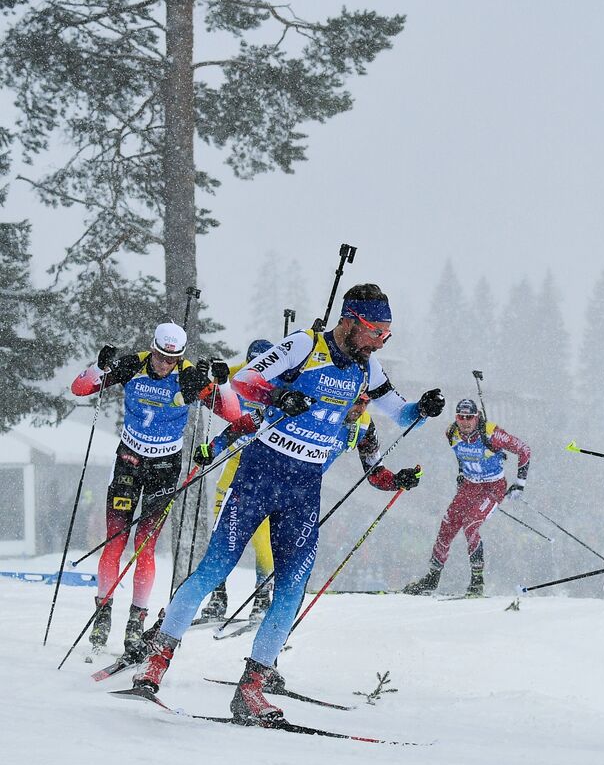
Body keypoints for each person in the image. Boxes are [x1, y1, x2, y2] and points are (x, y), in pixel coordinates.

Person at [132, 284, 444, 724]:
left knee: (293, 587)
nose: (379, 341)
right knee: (214, 569)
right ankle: (157, 660)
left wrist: (423, 408)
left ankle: (252, 689)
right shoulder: (304, 345)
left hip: (304, 486)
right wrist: (279, 396)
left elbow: (401, 413)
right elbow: (244, 382)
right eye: (375, 331)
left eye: (386, 335)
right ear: (350, 320)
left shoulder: (368, 367)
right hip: (261, 472)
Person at [70, 322, 241, 654]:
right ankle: (102, 616)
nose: (165, 365)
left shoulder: (189, 375)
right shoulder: (134, 364)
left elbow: (233, 414)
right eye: (161, 357)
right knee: (114, 543)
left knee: (144, 548)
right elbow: (80, 389)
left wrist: (223, 383)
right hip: (128, 460)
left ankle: (136, 623)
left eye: (173, 359)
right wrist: (99, 366)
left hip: (164, 468)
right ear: (154, 349)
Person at [195, 387, 419, 619]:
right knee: (227, 545)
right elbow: (247, 423)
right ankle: (216, 596)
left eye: (365, 403)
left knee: (294, 572)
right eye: (356, 402)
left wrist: (397, 481)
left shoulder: (363, 426)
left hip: (298, 500)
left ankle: (268, 616)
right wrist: (213, 448)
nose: (359, 409)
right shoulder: (311, 403)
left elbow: (374, 472)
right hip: (260, 484)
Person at [403, 398, 530, 597]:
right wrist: (462, 472)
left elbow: (524, 449)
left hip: (492, 487)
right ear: (456, 417)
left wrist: (520, 484)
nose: (465, 421)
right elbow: (460, 455)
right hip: (469, 486)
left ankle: (477, 582)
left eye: (469, 417)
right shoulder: (451, 433)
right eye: (461, 417)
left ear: (476, 416)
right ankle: (431, 579)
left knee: (470, 524)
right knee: (447, 525)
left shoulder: (491, 433)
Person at [193, 339, 276, 624]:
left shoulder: (280, 381)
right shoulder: (239, 373)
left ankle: (263, 597)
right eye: (253, 363)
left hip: (266, 468)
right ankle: (218, 597)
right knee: (221, 530)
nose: (257, 371)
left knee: (261, 536)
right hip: (236, 461)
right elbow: (212, 394)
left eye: (262, 365)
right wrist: (205, 378)